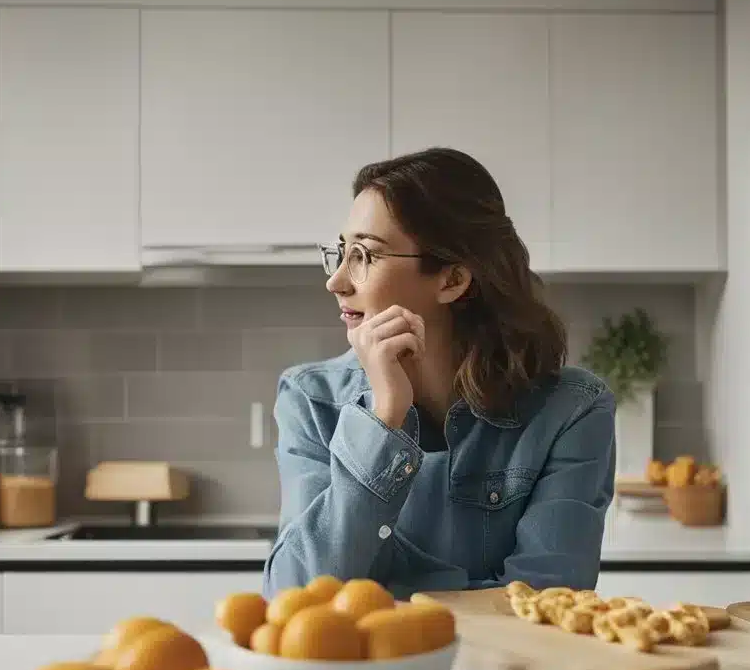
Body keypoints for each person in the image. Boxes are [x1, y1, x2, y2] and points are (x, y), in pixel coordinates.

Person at [262, 147, 616, 600]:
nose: (337, 282)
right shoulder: (311, 398)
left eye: (365, 256)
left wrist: (396, 606)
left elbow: (548, 604)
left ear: (451, 280)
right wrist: (384, 417)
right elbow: (294, 597)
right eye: (341, 253)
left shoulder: (573, 409)